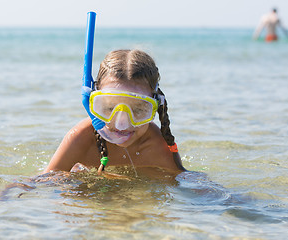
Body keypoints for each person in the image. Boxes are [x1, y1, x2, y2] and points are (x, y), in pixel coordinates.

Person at [44, 49, 186, 175]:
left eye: (137, 110)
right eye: (111, 108)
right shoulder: (82, 137)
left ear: (156, 107)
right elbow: (44, 182)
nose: (122, 124)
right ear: (91, 102)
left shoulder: (156, 144)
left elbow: (180, 181)